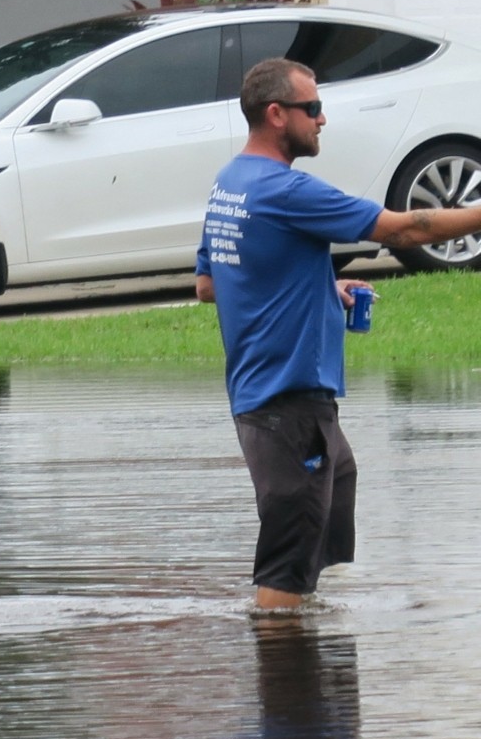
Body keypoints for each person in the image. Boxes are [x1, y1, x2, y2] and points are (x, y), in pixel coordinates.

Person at [196, 57, 481, 610]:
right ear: (276, 114)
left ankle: (306, 666)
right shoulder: (286, 189)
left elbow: (211, 283)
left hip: (269, 399)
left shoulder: (231, 183)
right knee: (285, 573)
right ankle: (282, 673)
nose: (323, 120)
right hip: (289, 402)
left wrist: (323, 289)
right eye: (314, 108)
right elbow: (406, 228)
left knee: (332, 496)